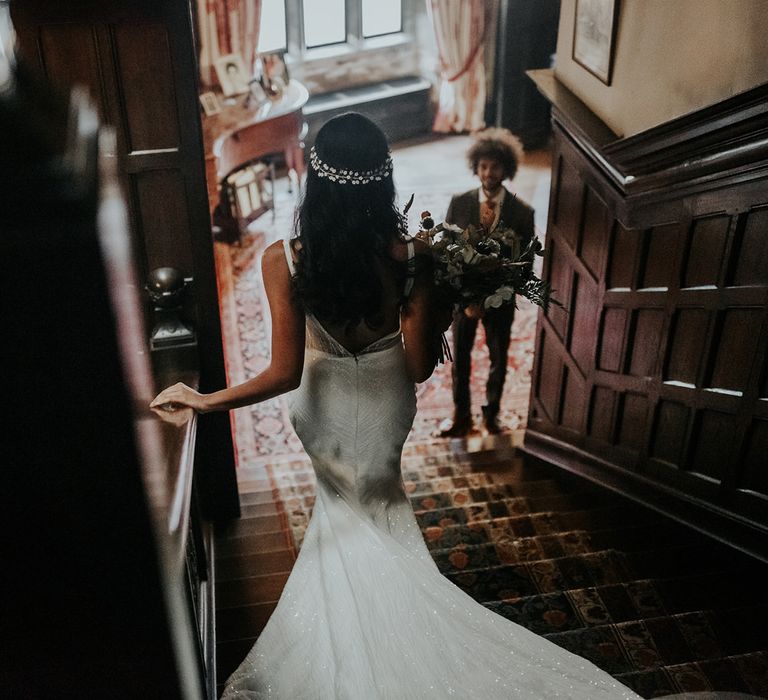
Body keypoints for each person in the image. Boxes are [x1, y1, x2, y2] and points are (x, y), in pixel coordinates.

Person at [151, 113, 639, 699]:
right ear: (383, 177)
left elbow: (282, 374)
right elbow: (416, 367)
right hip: (386, 402)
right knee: (377, 506)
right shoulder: (415, 255)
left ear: (317, 177)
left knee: (342, 515)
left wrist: (205, 401)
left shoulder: (283, 259)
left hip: (321, 404)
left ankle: (360, 644)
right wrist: (442, 306)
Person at [439, 128, 535, 437]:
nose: (488, 173)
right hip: (463, 299)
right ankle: (461, 416)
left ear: (507, 169)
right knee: (461, 359)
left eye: (495, 166)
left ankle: (492, 415)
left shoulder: (522, 212)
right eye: (483, 166)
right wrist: (464, 298)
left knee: (498, 356)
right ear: (475, 167)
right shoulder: (460, 203)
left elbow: (525, 263)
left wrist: (498, 294)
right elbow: (447, 251)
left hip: (500, 300)